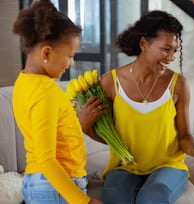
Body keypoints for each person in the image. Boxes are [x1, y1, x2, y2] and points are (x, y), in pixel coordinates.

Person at [80, 10, 194, 204]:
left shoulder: (178, 84)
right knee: (116, 198)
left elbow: (184, 136)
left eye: (175, 50)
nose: (171, 57)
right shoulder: (110, 83)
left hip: (168, 165)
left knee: (154, 196)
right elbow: (109, 136)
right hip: (124, 166)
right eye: (165, 49)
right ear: (144, 43)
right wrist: (85, 126)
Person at [12, 0, 103, 203]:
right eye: (69, 56)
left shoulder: (23, 82)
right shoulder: (46, 91)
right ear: (46, 53)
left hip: (42, 183)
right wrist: (84, 201)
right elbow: (46, 159)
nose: (71, 63)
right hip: (54, 187)